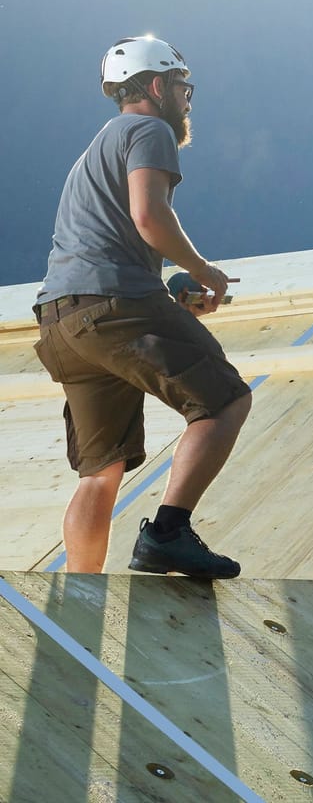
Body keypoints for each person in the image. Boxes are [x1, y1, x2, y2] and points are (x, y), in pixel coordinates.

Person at [32, 36, 253, 577]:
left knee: (100, 471)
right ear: (157, 86)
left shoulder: (93, 153)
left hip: (63, 323)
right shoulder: (149, 129)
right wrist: (206, 273)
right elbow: (148, 217)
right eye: (183, 87)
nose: (187, 100)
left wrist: (169, 294)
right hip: (112, 305)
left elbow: (109, 240)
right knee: (224, 402)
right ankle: (168, 533)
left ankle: (81, 594)